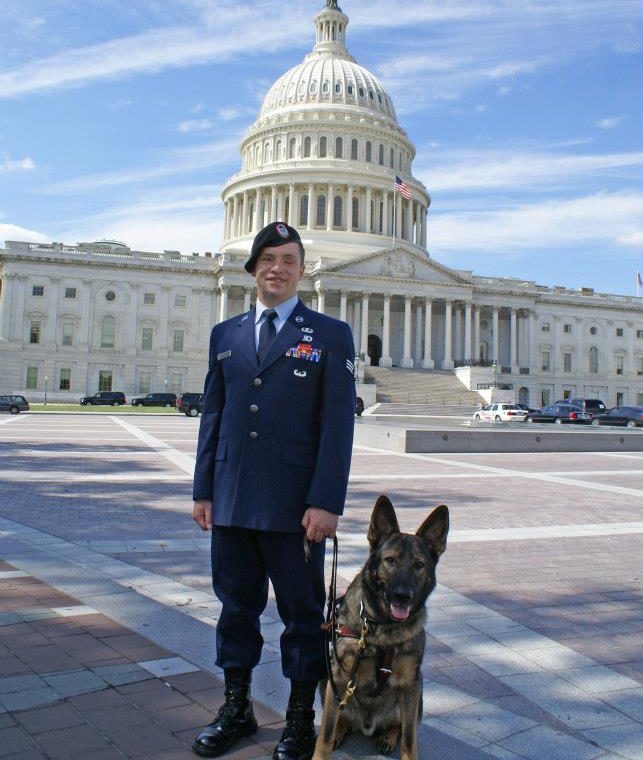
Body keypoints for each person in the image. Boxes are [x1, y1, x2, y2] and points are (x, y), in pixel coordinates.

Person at [191, 222, 356, 760]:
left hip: (295, 506)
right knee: (235, 610)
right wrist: (204, 489)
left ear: (302, 269)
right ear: (253, 268)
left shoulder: (330, 334)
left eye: (287, 259)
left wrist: (326, 500)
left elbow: (337, 426)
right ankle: (236, 707)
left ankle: (299, 719)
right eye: (267, 259)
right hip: (233, 496)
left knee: (302, 617)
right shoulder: (227, 334)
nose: (276, 268)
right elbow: (213, 417)